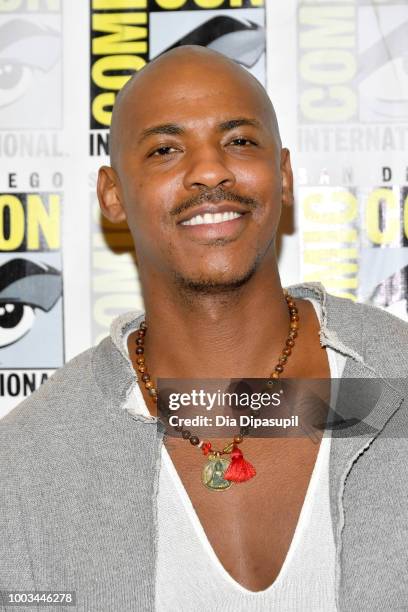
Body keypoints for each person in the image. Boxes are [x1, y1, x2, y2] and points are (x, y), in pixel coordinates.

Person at [1, 45, 408, 612]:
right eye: (165, 149)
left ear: (284, 176)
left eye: (239, 141)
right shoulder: (28, 461)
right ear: (113, 195)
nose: (211, 170)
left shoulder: (399, 376)